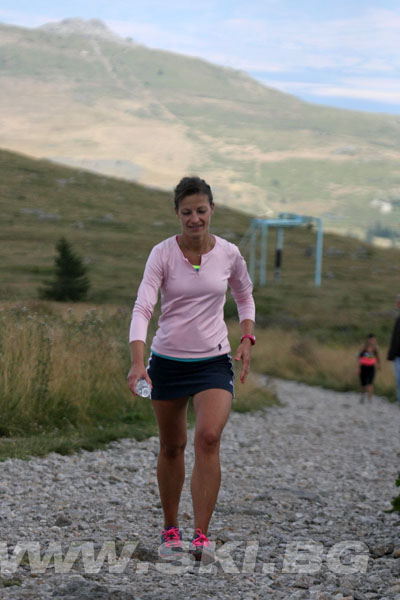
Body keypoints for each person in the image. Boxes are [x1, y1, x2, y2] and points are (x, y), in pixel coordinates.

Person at [127, 176, 255, 564]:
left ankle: (201, 536)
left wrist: (247, 337)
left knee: (209, 437)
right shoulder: (162, 254)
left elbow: (244, 295)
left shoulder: (229, 253)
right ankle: (170, 530)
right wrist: (137, 362)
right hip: (167, 362)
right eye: (187, 212)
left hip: (213, 361)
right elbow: (143, 307)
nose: (195, 219)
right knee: (172, 446)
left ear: (212, 209)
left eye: (201, 210)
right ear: (177, 214)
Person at [358, 333, 380, 403]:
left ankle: (369, 399)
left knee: (370, 383)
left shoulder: (375, 348)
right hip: (363, 367)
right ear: (368, 340)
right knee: (363, 384)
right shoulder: (363, 347)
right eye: (371, 340)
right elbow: (359, 357)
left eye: (373, 340)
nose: (372, 341)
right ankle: (362, 396)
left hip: (371, 367)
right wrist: (358, 368)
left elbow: (377, 357)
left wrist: (379, 365)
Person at [387, 294, 400, 406]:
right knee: (398, 379)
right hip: (397, 356)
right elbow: (394, 339)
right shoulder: (398, 319)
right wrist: (391, 355)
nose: (398, 305)